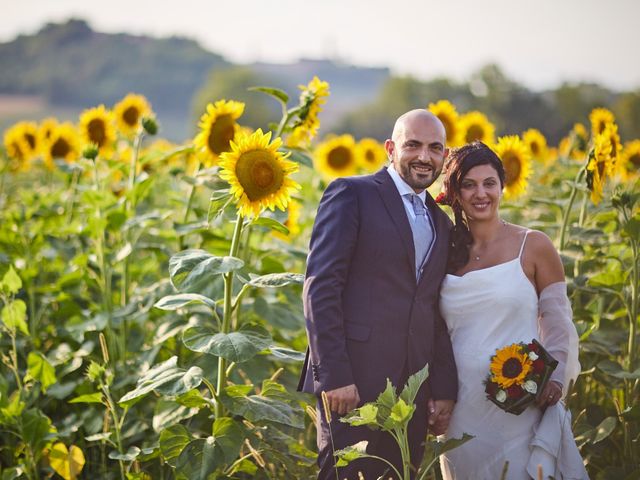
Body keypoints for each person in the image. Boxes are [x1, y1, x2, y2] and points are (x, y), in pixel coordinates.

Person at [298, 109, 459, 479]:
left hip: (413, 395)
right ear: (390, 148)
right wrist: (335, 375)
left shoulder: (441, 222)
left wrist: (443, 389)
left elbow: (434, 310)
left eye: (435, 148)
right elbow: (321, 287)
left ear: (444, 157)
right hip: (353, 384)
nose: (424, 156)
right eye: (413, 145)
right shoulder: (352, 194)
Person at [436, 141, 588, 479]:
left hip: (523, 404)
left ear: (503, 186)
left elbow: (557, 320)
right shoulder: (443, 252)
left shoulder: (533, 245)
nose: (481, 194)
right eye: (469, 185)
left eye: (489, 183)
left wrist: (556, 379)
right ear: (454, 193)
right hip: (461, 408)